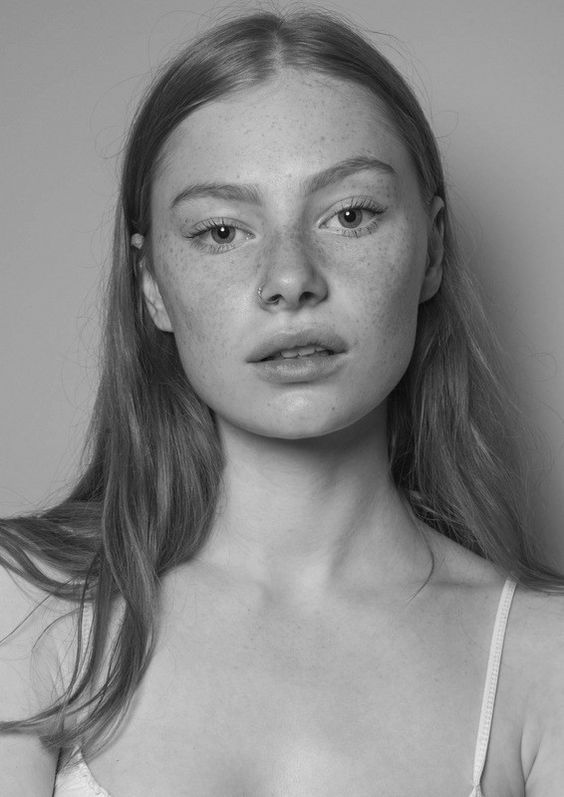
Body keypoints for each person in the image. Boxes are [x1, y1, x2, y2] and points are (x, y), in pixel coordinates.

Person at [1, 7, 563, 796]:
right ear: (152, 286)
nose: (291, 278)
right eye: (222, 231)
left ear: (432, 249)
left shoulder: (545, 659)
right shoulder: (24, 605)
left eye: (350, 215)